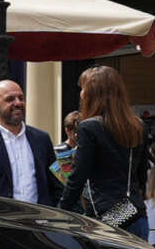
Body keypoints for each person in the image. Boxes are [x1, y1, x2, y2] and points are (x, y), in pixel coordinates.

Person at [62, 65, 145, 226]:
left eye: (83, 88)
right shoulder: (138, 126)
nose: (81, 93)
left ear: (93, 93)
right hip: (135, 213)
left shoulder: (88, 127)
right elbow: (141, 176)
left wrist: (60, 211)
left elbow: (77, 178)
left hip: (107, 218)